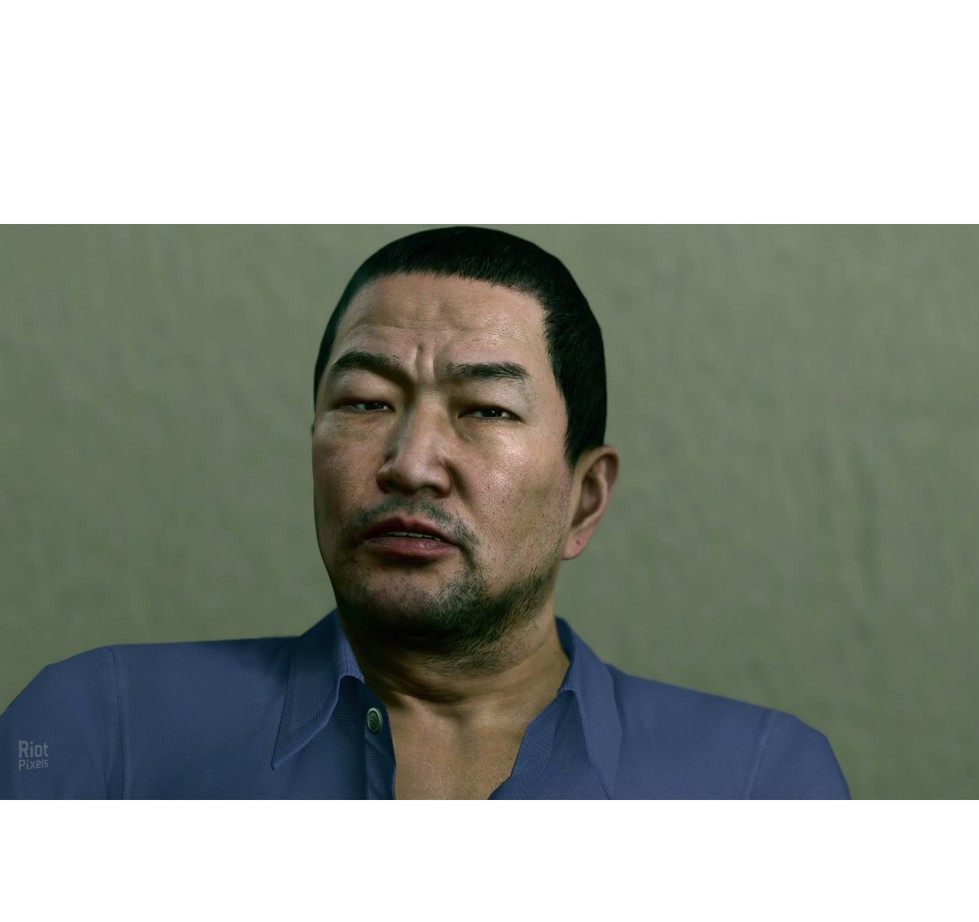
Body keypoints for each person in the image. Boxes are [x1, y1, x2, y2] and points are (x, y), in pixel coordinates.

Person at [0, 226, 849, 799]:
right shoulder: (95, 729)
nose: (409, 462)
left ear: (584, 498)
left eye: (486, 410)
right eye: (366, 402)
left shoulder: (756, 782)